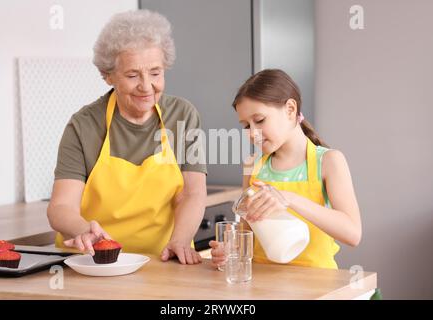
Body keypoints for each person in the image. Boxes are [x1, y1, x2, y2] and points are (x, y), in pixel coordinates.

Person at [47, 9, 207, 265]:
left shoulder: (182, 116)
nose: (146, 86)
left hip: (163, 260)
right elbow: (61, 207)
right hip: (95, 262)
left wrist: (180, 240)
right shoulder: (83, 125)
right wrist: (83, 231)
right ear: (108, 75)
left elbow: (193, 193)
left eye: (155, 73)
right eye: (132, 75)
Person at [210, 69, 362, 269]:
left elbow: (352, 233)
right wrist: (231, 249)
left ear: (290, 109)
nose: (252, 133)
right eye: (246, 126)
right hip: (263, 285)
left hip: (317, 286)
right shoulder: (253, 165)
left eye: (260, 120)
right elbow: (248, 232)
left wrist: (289, 199)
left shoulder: (329, 161)